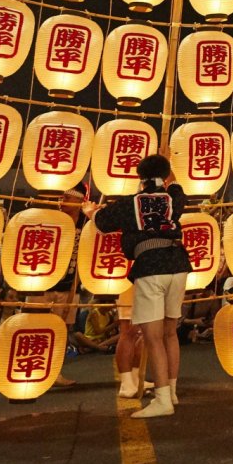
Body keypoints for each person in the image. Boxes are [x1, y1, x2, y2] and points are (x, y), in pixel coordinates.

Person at [84, 154, 191, 419]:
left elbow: (102, 222)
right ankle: (172, 391)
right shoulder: (173, 198)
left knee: (152, 336)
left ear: (139, 178)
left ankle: (162, 400)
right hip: (178, 265)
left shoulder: (130, 203)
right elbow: (177, 189)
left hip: (150, 267)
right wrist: (171, 179)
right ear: (165, 177)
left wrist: (90, 212)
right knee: (169, 333)